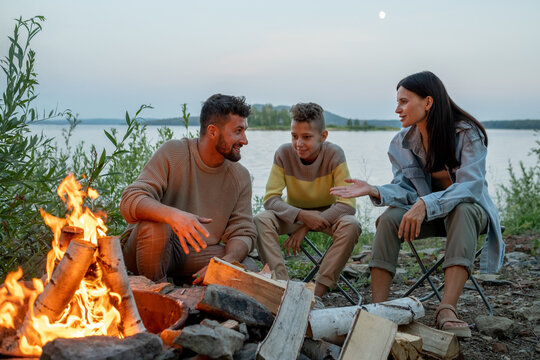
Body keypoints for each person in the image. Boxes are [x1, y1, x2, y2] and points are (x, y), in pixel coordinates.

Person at [331, 71, 504, 337]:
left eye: (403, 101)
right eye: (397, 101)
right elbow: (405, 190)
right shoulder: (401, 143)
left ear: (428, 102)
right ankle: (379, 308)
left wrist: (426, 202)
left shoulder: (467, 133)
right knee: (389, 218)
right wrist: (374, 189)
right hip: (430, 217)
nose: (397, 109)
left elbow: (471, 186)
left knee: (463, 209)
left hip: (470, 215)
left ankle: (447, 308)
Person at [120, 94, 257, 285]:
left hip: (191, 254)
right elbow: (130, 199)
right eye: (238, 131)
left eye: (244, 131)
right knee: (155, 228)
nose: (244, 140)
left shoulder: (240, 176)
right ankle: (158, 294)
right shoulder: (174, 152)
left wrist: (225, 263)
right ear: (212, 132)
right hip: (148, 248)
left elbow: (243, 231)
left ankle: (190, 288)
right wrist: (174, 216)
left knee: (247, 267)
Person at [254, 102, 362, 298]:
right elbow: (271, 199)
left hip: (327, 217)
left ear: (323, 136)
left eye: (307, 137)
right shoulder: (283, 154)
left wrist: (307, 226)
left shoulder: (334, 154)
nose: (298, 144)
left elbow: (347, 204)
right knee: (262, 219)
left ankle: (317, 293)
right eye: (294, 136)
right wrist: (302, 217)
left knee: (351, 224)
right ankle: (281, 287)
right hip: (294, 215)